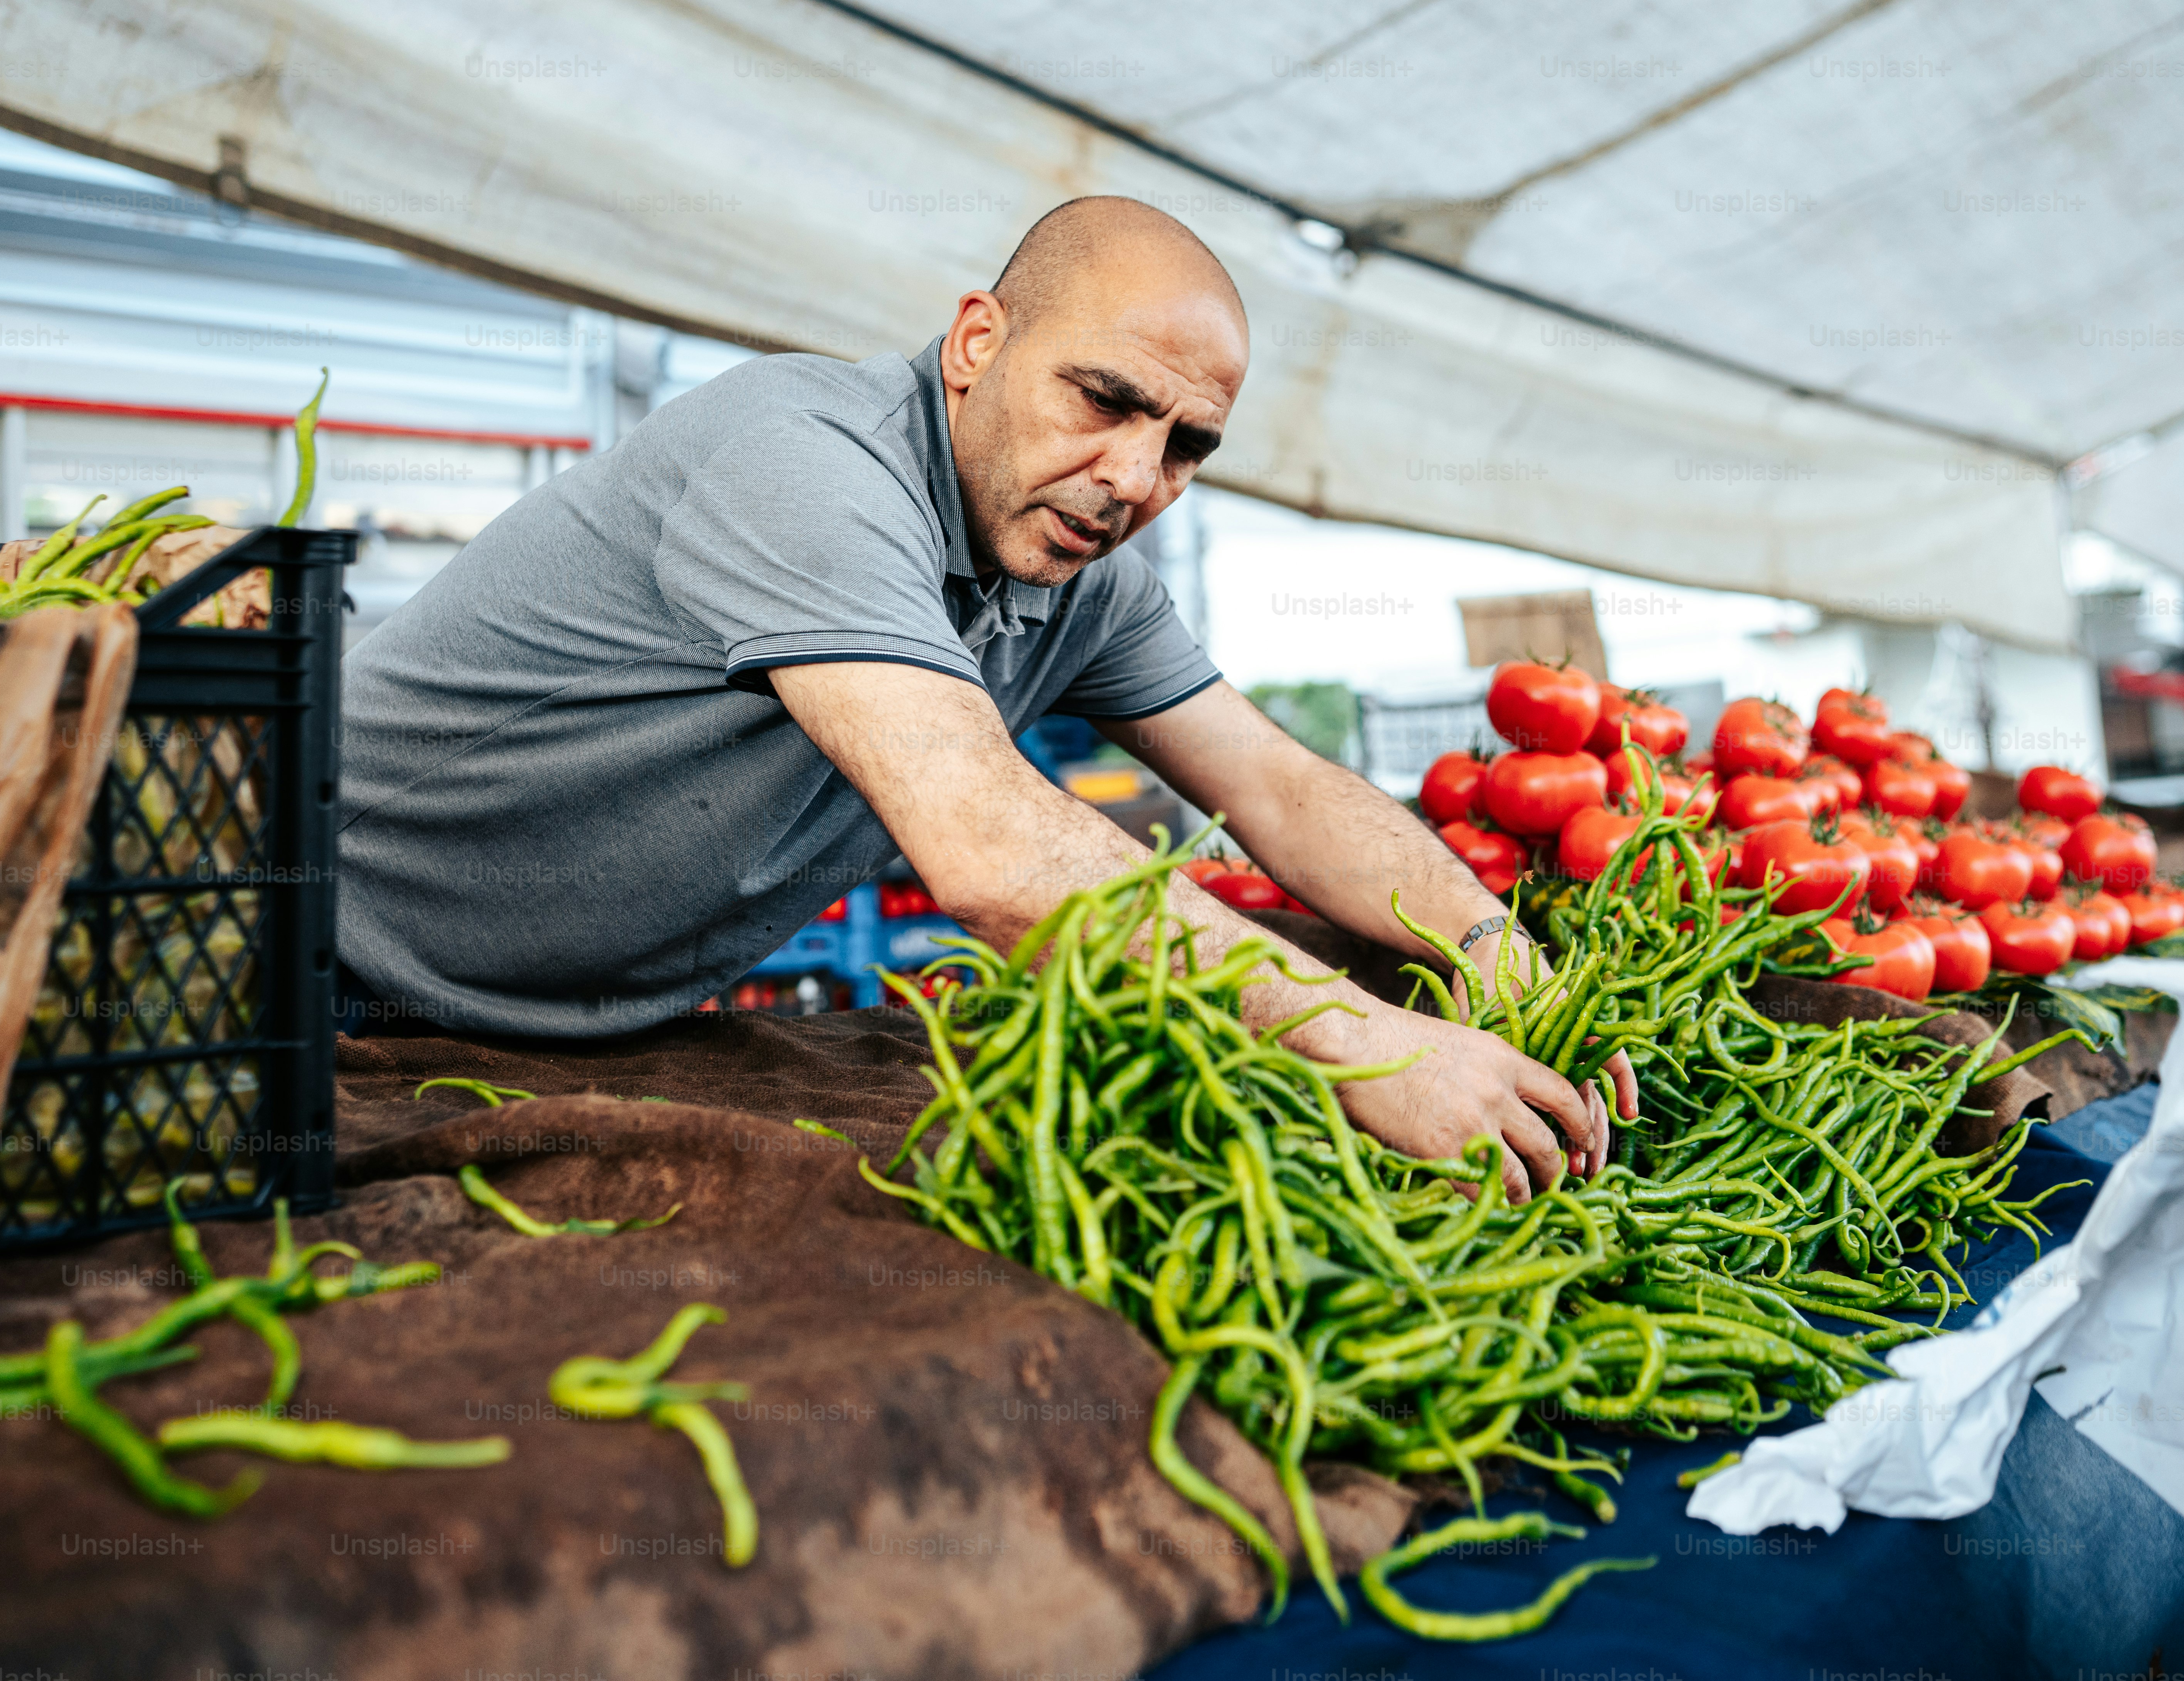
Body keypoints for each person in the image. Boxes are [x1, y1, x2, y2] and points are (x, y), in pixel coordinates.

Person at [335, 196, 1633, 1198]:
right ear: (975, 343)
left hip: (544, 1030)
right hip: (314, 971)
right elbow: (990, 849)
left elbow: (1273, 784)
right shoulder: (806, 462)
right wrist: (1369, 1046)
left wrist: (1491, 951)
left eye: (1185, 446)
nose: (1133, 477)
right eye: (1107, 399)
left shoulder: (1081, 572)